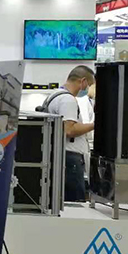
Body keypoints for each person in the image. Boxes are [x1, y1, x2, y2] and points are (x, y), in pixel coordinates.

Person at [44, 65, 95, 203]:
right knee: (74, 201)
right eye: (89, 85)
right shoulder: (68, 100)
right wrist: (95, 125)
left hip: (61, 157)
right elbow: (69, 130)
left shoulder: (54, 95)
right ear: (82, 81)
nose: (87, 89)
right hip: (70, 159)